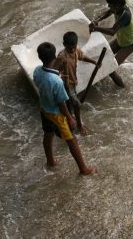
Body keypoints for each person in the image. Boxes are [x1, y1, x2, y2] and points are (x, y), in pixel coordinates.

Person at [33, 42, 97, 175]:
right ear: (55, 57)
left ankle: (50, 161)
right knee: (71, 140)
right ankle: (83, 169)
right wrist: (70, 117)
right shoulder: (57, 81)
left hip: (44, 109)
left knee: (48, 134)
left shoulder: (37, 71)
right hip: (57, 114)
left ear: (39, 57)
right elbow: (62, 103)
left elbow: (40, 83)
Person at [89, 0, 133, 87]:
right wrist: (97, 19)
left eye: (110, 4)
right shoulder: (117, 8)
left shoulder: (125, 15)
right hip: (120, 41)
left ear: (117, 5)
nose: (108, 6)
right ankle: (99, 78)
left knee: (111, 70)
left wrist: (96, 28)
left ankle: (123, 89)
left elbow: (112, 31)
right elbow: (108, 12)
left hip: (129, 45)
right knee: (101, 55)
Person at [53, 31, 98, 136]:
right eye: (70, 48)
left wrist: (94, 62)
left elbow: (82, 56)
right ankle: (79, 125)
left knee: (69, 103)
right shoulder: (62, 57)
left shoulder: (75, 51)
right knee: (77, 104)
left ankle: (70, 120)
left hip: (73, 83)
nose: (72, 50)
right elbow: (54, 70)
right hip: (65, 84)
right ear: (64, 45)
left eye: (74, 47)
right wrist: (60, 77)